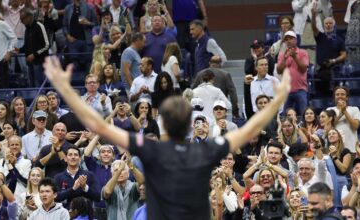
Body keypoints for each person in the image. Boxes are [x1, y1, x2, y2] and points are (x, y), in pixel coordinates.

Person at [43, 56, 291, 219]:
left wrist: (66, 90)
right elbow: (248, 130)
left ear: (164, 125)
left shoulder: (151, 149)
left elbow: (99, 125)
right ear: (189, 125)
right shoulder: (205, 149)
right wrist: (277, 100)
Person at [311, 3, 347, 96]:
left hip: (334, 69)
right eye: (326, 23)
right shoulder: (320, 36)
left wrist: (334, 60)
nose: (328, 25)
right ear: (324, 25)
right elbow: (314, 27)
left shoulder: (339, 40)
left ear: (334, 25)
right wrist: (313, 15)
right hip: (321, 69)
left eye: (330, 23)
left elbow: (344, 55)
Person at [277, 30, 309, 116]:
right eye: (286, 39)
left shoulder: (303, 53)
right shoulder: (282, 54)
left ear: (296, 40)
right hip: (287, 91)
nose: (289, 41)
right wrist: (285, 58)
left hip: (301, 90)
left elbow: (303, 69)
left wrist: (294, 56)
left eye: (291, 38)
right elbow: (279, 70)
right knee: (286, 116)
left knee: (304, 115)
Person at [0, 0, 29, 81]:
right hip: (8, 40)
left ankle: (28, 83)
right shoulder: (6, 9)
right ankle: (10, 87)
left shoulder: (23, 10)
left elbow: (28, 3)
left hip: (21, 39)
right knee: (10, 67)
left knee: (24, 66)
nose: (15, 1)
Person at [19, 7, 50, 87]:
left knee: (39, 85)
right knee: (31, 85)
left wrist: (34, 55)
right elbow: (27, 46)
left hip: (39, 62)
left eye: (23, 19)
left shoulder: (39, 26)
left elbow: (47, 45)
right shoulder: (27, 30)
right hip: (30, 63)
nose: (21, 21)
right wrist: (18, 50)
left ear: (29, 17)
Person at [63, 0, 97, 70]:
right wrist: (67, 35)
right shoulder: (68, 8)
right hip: (73, 42)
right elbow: (64, 25)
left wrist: (88, 23)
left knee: (89, 66)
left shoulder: (90, 7)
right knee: (74, 66)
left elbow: (96, 24)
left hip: (87, 42)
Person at [327, 86, 360, 153]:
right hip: (334, 149)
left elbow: (355, 126)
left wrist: (345, 111)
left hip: (351, 148)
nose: (340, 96)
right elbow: (328, 128)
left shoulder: (354, 109)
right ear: (334, 97)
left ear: (347, 97)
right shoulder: (329, 110)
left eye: (342, 94)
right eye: (337, 94)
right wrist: (339, 115)